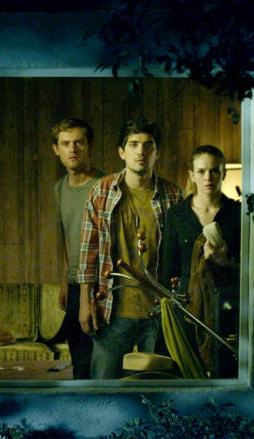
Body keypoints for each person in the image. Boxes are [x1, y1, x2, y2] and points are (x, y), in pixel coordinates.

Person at [77, 117, 183, 379]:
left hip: (159, 312)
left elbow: (181, 255)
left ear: (157, 152)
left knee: (157, 389)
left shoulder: (173, 195)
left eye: (148, 145)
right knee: (105, 389)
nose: (141, 151)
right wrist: (85, 302)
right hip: (112, 311)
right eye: (133, 144)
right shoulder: (101, 191)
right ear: (121, 152)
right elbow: (89, 251)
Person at [160, 145, 240, 377]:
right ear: (192, 175)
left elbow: (250, 268)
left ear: (224, 173)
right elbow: (168, 269)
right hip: (186, 307)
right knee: (185, 374)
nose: (208, 177)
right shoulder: (177, 215)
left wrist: (225, 261)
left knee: (226, 372)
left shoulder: (237, 213)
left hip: (227, 307)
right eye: (202, 171)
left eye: (214, 171)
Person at [51, 118, 105, 379]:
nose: (72, 149)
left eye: (78, 143)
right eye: (65, 144)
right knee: (80, 365)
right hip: (74, 285)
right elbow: (66, 236)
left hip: (101, 284)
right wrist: (65, 281)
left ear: (89, 145)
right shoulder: (59, 188)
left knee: (100, 365)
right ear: (56, 149)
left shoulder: (105, 185)